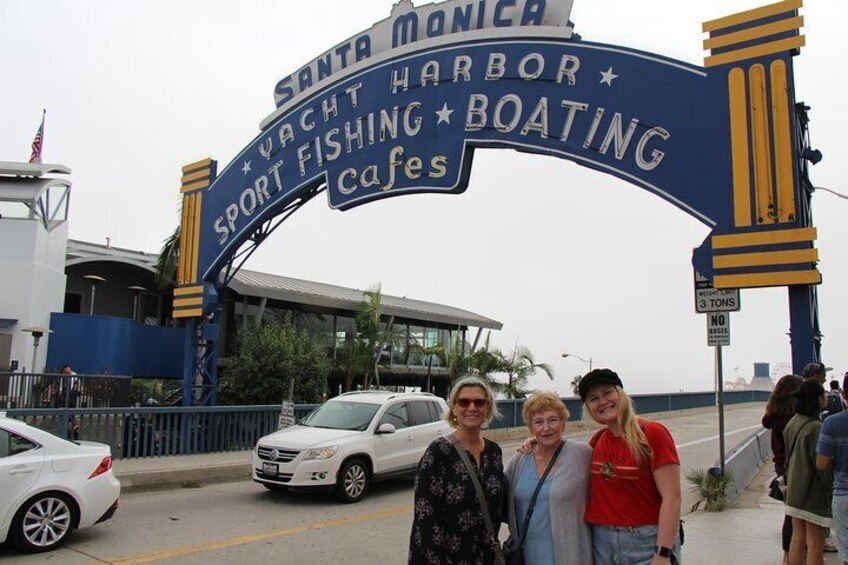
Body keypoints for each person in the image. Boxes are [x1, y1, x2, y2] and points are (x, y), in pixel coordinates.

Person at [580, 369, 682, 565]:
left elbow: (672, 497)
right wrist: (535, 443)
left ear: (621, 394)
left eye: (607, 392)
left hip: (645, 542)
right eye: (593, 398)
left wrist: (662, 554)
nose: (602, 401)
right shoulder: (597, 440)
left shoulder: (652, 433)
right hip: (602, 543)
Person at [408, 376, 507, 565]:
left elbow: (503, 505)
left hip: (485, 558)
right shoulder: (438, 452)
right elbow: (426, 520)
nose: (472, 408)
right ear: (453, 408)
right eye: (464, 402)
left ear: (487, 408)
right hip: (446, 559)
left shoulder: (494, 452)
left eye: (479, 402)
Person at [505, 391, 592, 564]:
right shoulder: (521, 458)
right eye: (538, 422)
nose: (546, 428)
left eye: (553, 420)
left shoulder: (582, 454)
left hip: (571, 555)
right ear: (531, 428)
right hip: (527, 555)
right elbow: (501, 500)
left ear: (563, 424)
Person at [784, 379, 833, 565]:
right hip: (812, 493)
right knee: (814, 545)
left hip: (794, 490)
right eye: (824, 394)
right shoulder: (816, 427)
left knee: (797, 539)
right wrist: (831, 486)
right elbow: (821, 464)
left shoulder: (793, 422)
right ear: (818, 399)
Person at [762, 374, 804, 563]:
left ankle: (788, 553)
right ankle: (792, 553)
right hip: (794, 464)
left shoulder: (774, 413)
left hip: (780, 464)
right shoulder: (794, 416)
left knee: (790, 509)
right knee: (797, 510)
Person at [817, 372, 848, 565]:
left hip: (843, 494)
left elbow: (822, 463)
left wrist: (837, 462)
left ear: (844, 394)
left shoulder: (831, 423)